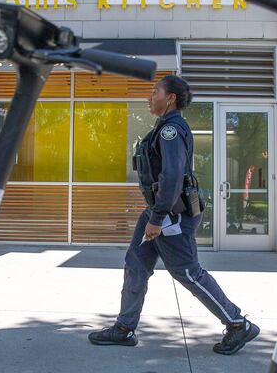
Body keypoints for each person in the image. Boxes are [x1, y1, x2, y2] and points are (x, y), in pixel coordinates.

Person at [88, 75, 259, 355]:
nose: (149, 96)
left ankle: (237, 323)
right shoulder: (163, 128)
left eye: (155, 92)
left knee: (188, 273)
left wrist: (157, 219)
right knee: (136, 265)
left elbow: (172, 176)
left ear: (170, 98)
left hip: (170, 215)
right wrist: (153, 215)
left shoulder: (171, 130)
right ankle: (124, 328)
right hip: (158, 211)